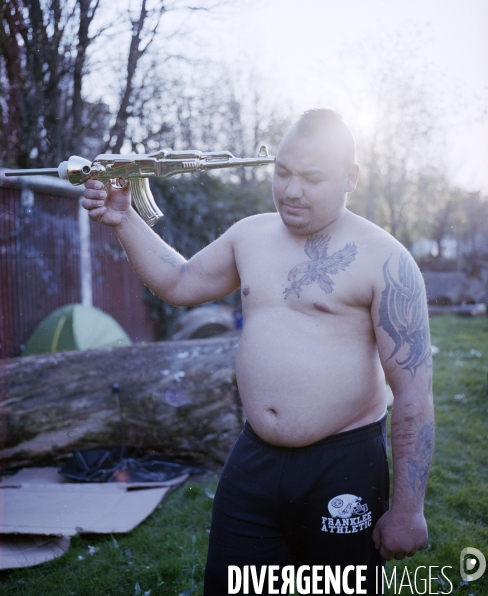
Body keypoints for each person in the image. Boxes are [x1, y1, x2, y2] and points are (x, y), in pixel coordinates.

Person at [82, 109, 434, 595]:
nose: (291, 190)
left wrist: (409, 509)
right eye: (283, 172)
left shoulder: (386, 259)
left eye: (312, 178)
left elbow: (413, 394)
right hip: (255, 461)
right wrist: (123, 219)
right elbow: (179, 281)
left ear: (351, 177)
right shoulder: (250, 235)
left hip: (344, 467)